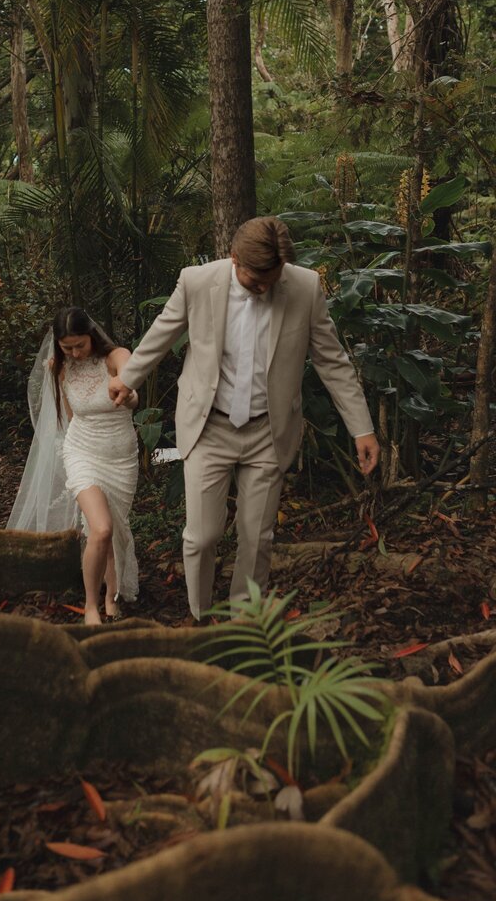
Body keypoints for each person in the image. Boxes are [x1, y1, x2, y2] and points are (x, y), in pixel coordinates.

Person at [108, 216, 379, 623]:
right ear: (234, 259)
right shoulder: (198, 282)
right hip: (208, 428)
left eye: (274, 278)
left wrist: (362, 427)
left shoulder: (304, 287)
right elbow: (161, 333)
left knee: (257, 538)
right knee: (202, 537)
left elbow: (332, 361)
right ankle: (201, 618)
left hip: (269, 433)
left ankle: (244, 626)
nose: (266, 287)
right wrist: (127, 379)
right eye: (257, 280)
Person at [8, 307, 140, 626]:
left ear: (91, 336)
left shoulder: (115, 357)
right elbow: (70, 415)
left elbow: (129, 377)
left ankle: (112, 595)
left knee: (113, 528)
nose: (75, 353)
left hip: (121, 457)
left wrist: (125, 387)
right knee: (101, 527)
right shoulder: (60, 368)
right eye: (67, 347)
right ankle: (91, 604)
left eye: (80, 345)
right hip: (82, 451)